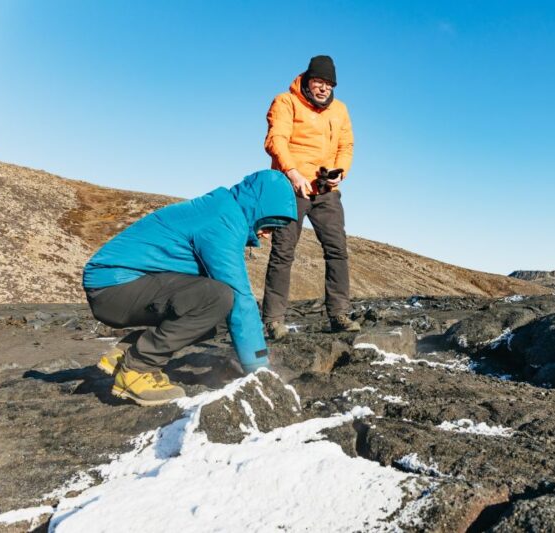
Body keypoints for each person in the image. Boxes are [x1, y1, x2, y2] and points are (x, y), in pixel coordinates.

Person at [82, 170, 297, 406]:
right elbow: (239, 296)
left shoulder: (223, 210)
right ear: (258, 209)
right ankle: (137, 370)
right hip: (113, 287)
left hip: (121, 286)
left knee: (219, 306)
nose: (267, 235)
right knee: (219, 298)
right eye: (270, 224)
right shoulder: (222, 221)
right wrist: (258, 368)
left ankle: (127, 353)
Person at [262, 55, 360, 339]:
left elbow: (346, 144)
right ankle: (273, 320)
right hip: (291, 187)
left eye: (329, 83)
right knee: (283, 252)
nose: (324, 88)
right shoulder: (285, 102)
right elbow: (275, 139)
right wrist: (292, 173)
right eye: (319, 81)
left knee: (337, 250)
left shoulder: (340, 110)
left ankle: (339, 314)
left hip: (326, 190)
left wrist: (341, 172)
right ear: (307, 79)